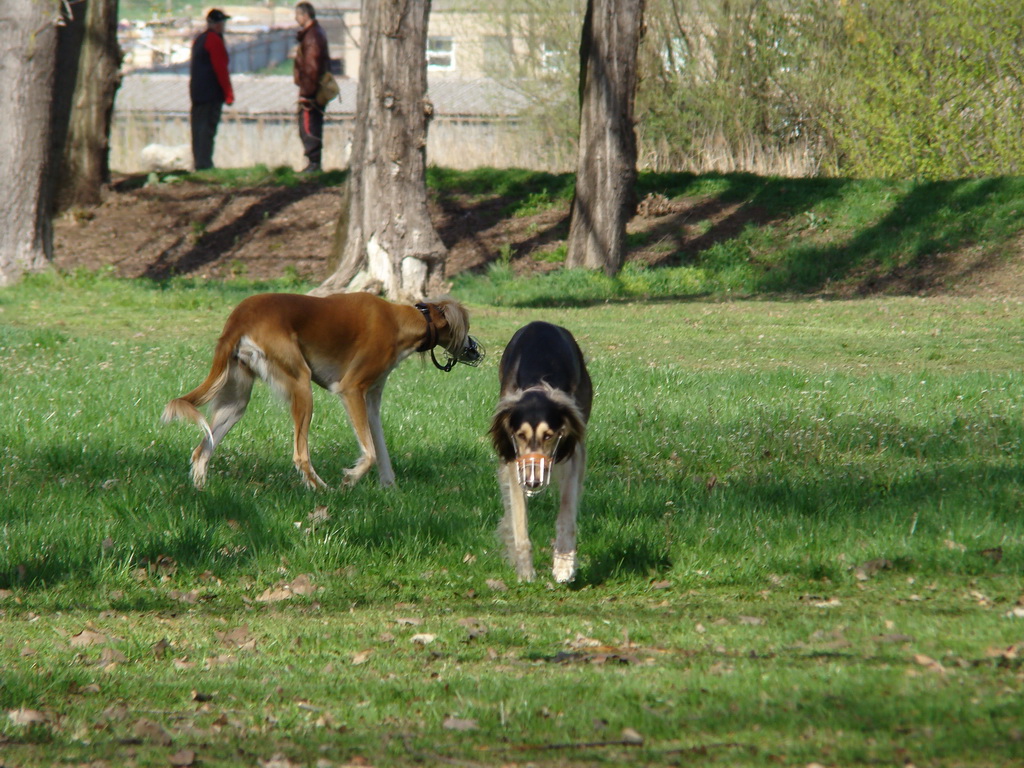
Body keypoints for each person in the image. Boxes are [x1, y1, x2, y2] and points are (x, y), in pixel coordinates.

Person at [189, 9, 234, 171]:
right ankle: (204, 164)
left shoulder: (200, 39)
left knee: (198, 129)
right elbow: (220, 68)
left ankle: (200, 162)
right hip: (211, 93)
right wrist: (228, 94)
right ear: (216, 24)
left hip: (198, 92)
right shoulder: (214, 40)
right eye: (222, 23)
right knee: (207, 130)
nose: (224, 26)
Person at [293, 2, 330, 173]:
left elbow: (311, 67)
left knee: (308, 126)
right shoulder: (314, 34)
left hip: (311, 91)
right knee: (311, 125)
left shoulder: (312, 37)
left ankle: (314, 163)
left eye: (297, 15)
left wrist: (306, 94)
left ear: (305, 15)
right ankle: (313, 162)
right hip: (315, 88)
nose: (296, 18)